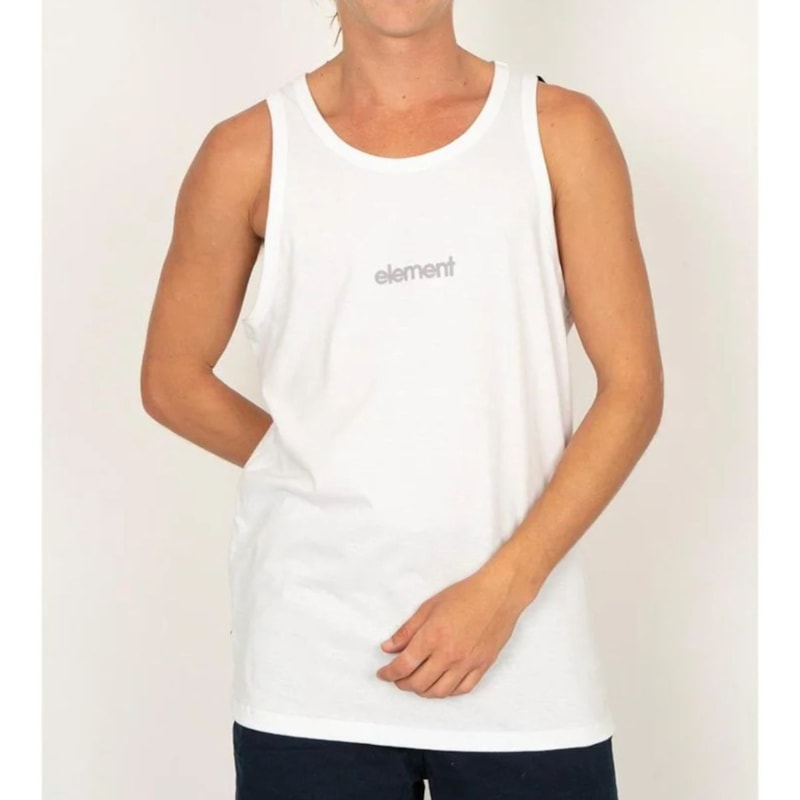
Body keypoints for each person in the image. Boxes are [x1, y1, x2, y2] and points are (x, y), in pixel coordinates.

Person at [140, 1, 663, 797]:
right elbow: (172, 379)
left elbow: (633, 388)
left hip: (526, 662)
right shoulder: (248, 151)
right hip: (311, 669)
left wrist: (502, 593)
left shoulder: (558, 130)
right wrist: (314, 459)